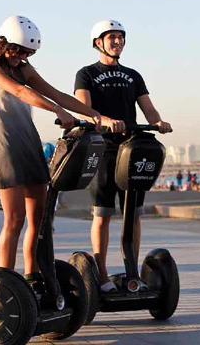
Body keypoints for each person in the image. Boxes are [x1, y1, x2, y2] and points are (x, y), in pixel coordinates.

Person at [0, 15, 102, 286]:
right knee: (14, 219)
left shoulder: (24, 67)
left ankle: (32, 276)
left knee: (40, 218)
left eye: (28, 53)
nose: (22, 57)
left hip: (29, 143)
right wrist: (56, 110)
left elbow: (59, 95)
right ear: (3, 43)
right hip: (4, 145)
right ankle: (6, 283)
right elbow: (19, 92)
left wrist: (96, 116)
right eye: (19, 51)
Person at [74, 19, 172, 293]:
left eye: (121, 37)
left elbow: (148, 108)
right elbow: (84, 109)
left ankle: (132, 271)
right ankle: (102, 275)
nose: (117, 42)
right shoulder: (86, 74)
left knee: (133, 214)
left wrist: (159, 122)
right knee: (103, 214)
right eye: (112, 37)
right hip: (103, 149)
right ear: (98, 42)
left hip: (131, 150)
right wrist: (105, 120)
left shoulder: (133, 75)